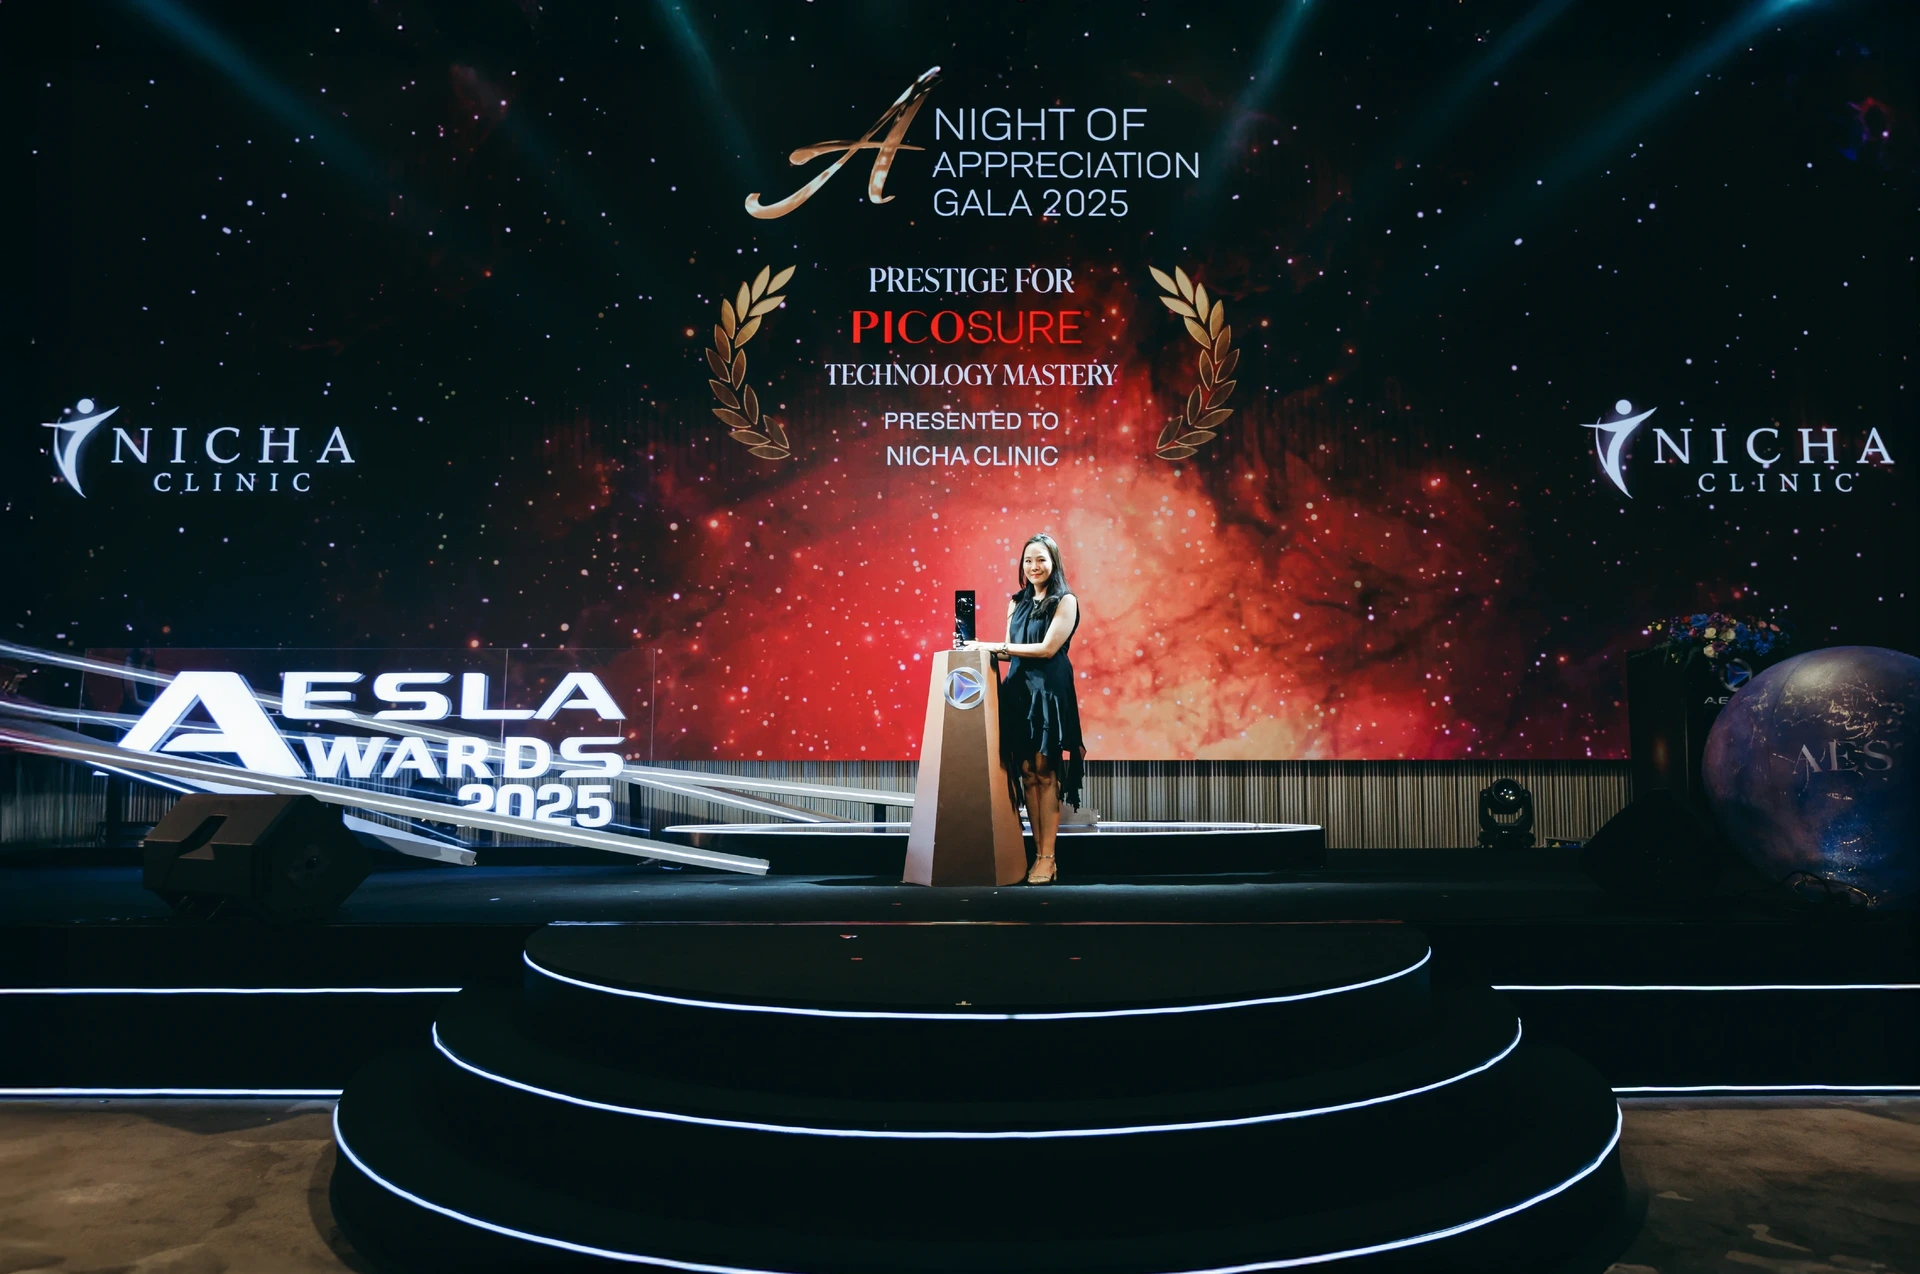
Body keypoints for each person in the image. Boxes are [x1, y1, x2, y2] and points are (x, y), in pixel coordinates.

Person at [965, 533, 1084, 884]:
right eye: (1029, 560)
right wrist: (974, 649)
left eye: (1041, 559)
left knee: (1046, 772)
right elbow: (1011, 650)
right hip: (1018, 693)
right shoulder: (1016, 602)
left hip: (1048, 692)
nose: (1034, 566)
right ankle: (1036, 854)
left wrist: (991, 645)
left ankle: (1048, 857)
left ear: (1054, 563)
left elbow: (1046, 649)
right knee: (1027, 773)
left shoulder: (1066, 601)